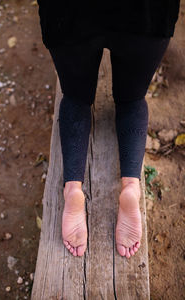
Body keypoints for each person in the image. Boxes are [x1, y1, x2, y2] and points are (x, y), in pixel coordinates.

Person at [36, 1, 180, 258]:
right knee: (132, 99)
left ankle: (72, 189)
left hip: (70, 15)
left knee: (76, 99)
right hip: (145, 14)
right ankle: (131, 187)